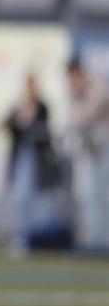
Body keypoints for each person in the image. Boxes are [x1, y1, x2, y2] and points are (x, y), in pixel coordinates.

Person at [1, 73, 53, 248]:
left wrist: (25, 120)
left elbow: (40, 127)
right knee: (20, 197)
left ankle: (37, 237)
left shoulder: (42, 107)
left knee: (38, 199)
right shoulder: (19, 107)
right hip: (21, 157)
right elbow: (5, 124)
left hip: (38, 160)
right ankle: (23, 235)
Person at [67, 59, 109, 250]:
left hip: (104, 148)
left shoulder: (97, 87)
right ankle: (91, 241)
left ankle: (103, 241)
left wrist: (78, 93)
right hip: (88, 149)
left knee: (103, 195)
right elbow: (72, 119)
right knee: (87, 195)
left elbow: (85, 115)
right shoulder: (75, 92)